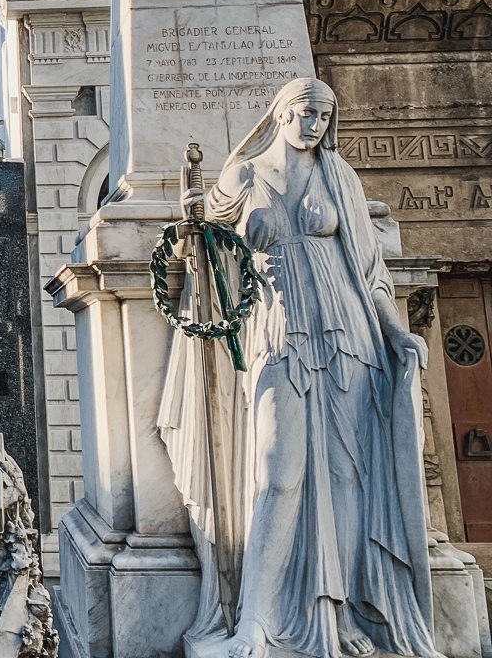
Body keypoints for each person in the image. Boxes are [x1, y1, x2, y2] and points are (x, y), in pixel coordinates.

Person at [160, 77, 438, 658]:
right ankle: (256, 622)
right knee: (276, 472)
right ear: (281, 113)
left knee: (345, 477)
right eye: (305, 113)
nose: (313, 125)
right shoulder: (242, 177)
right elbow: (205, 251)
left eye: (323, 115)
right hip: (277, 328)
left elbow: (369, 267)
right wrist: (189, 228)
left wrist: (395, 332)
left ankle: (342, 612)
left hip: (347, 333)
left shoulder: (340, 177)